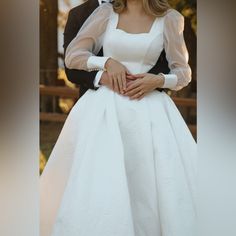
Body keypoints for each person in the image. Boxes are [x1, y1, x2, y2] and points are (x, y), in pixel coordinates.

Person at [40, 0, 197, 236]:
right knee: (101, 176)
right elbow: (73, 56)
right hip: (103, 109)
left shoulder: (171, 18)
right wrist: (106, 63)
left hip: (149, 110)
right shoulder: (106, 13)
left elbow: (183, 72)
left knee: (148, 182)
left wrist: (158, 80)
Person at [63, 0, 170, 97]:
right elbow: (71, 70)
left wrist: (151, 81)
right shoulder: (78, 14)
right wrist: (106, 73)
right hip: (96, 100)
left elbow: (168, 63)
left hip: (147, 96)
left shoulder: (160, 15)